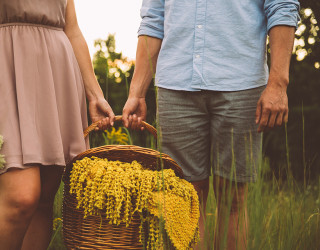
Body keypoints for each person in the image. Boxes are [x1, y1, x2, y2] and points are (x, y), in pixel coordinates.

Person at [122, 0, 300, 249]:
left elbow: (282, 6)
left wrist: (278, 83)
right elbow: (153, 18)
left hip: (241, 83)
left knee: (233, 198)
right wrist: (136, 92)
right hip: (176, 84)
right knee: (185, 198)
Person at [0, 0, 114, 249]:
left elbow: (73, 31)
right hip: (6, 71)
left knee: (44, 201)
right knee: (21, 199)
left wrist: (95, 94)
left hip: (58, 74)